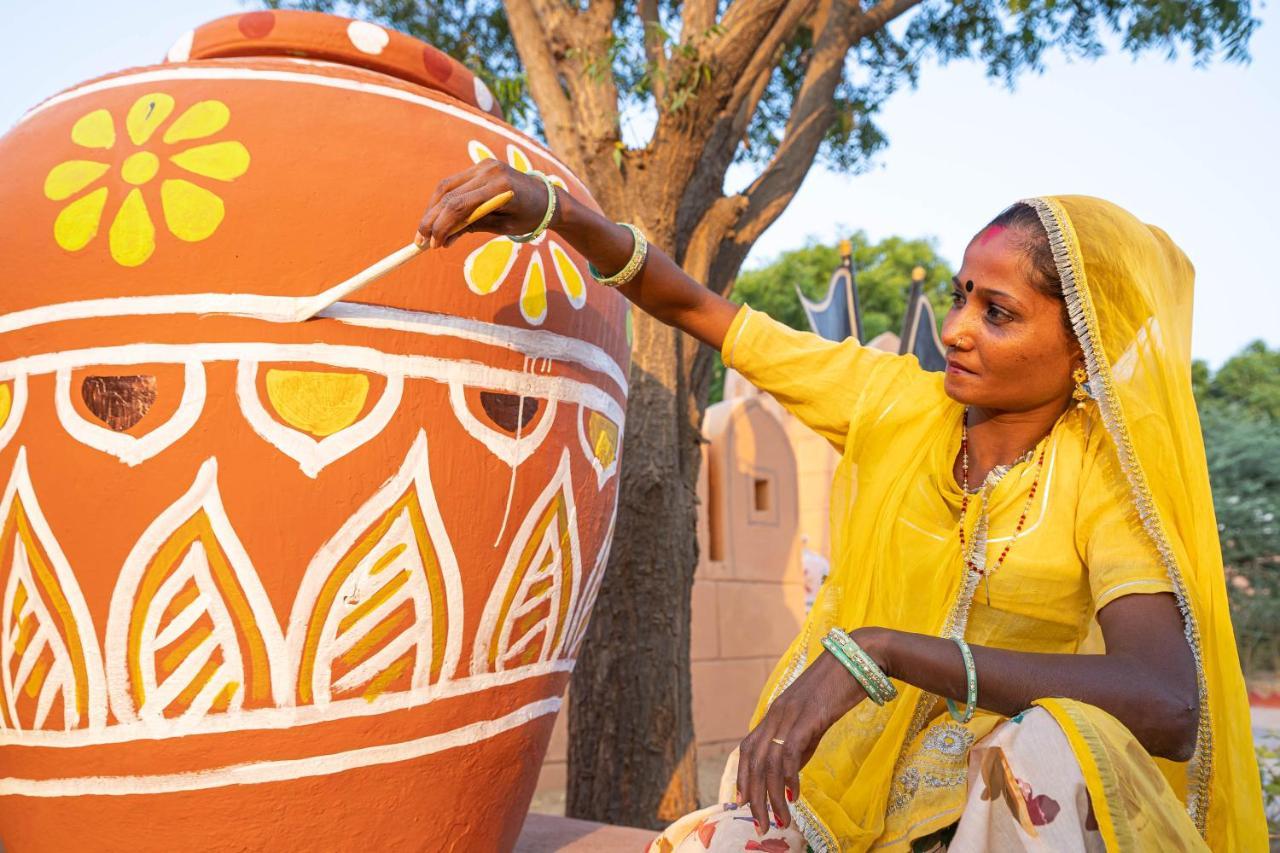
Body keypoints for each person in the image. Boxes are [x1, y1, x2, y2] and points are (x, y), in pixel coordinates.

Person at [416, 161, 1266, 850]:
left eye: (997, 311)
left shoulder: (1101, 479)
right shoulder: (891, 398)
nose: (958, 329)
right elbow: (696, 307)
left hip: (992, 812)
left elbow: (1166, 703)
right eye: (964, 293)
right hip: (832, 784)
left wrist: (887, 651)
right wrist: (562, 214)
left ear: (1081, 350)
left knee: (1049, 746)